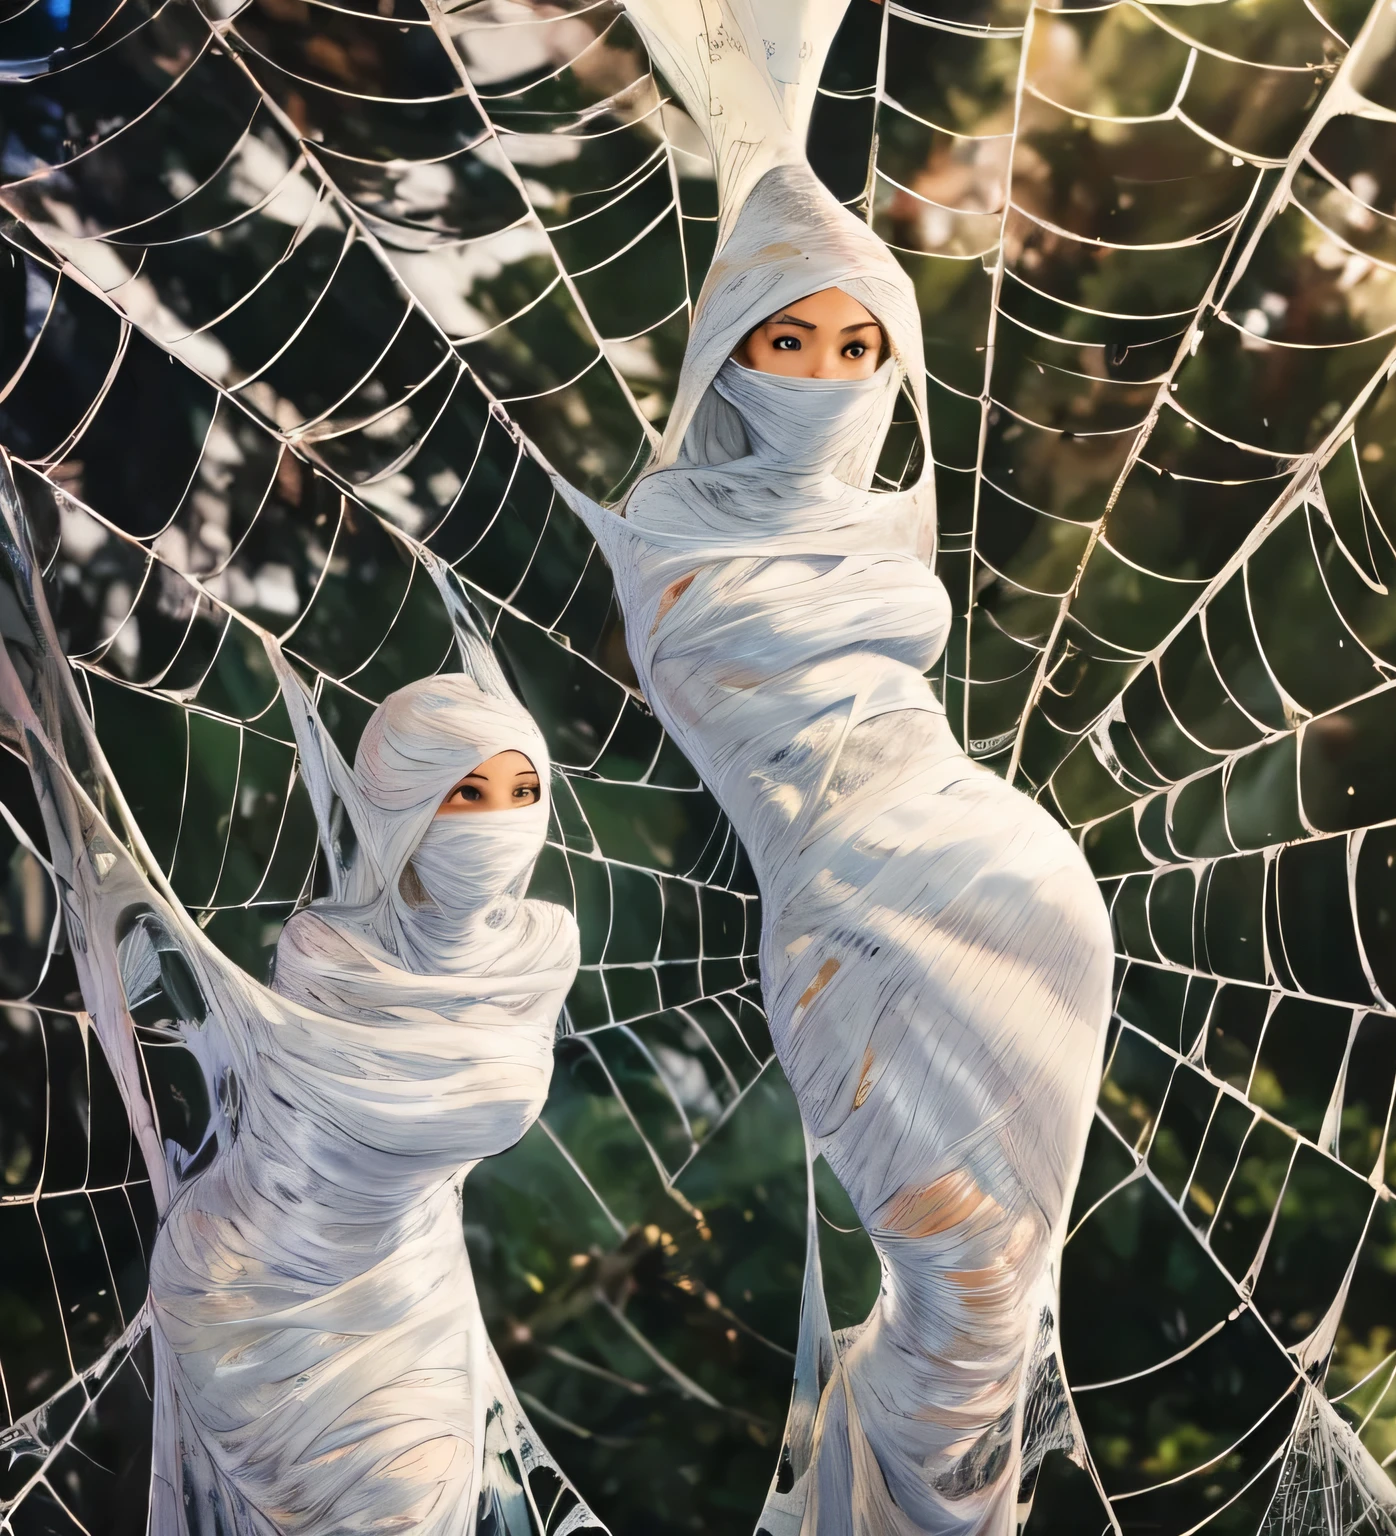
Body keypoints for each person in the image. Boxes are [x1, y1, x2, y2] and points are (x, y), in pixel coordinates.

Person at [556, 126, 1113, 1536]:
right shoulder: (671, 537)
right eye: (785, 341)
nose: (821, 377)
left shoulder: (880, 526)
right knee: (954, 1295)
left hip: (1025, 895)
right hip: (844, 928)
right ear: (726, 354)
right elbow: (726, 683)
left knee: (999, 1311)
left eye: (857, 348)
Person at [0, 481, 601, 1536]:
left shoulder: (542, 953)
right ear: (402, 799)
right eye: (467, 791)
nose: (501, 822)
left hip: (415, 1306)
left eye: (523, 791)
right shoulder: (328, 960)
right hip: (264, 1296)